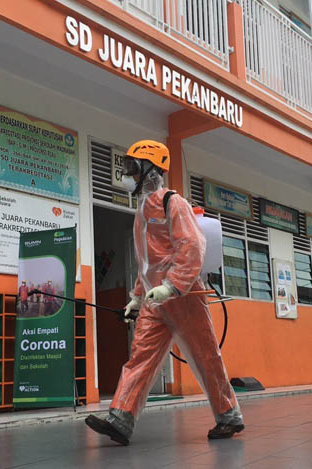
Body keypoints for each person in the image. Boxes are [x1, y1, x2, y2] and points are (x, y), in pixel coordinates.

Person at [85, 140, 243, 445]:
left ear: (150, 170)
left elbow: (192, 247)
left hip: (183, 297)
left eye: (132, 168)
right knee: (140, 356)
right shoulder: (142, 210)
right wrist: (135, 296)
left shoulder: (174, 203)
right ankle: (120, 419)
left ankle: (229, 417)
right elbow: (147, 261)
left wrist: (171, 286)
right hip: (154, 300)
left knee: (205, 356)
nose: (127, 174)